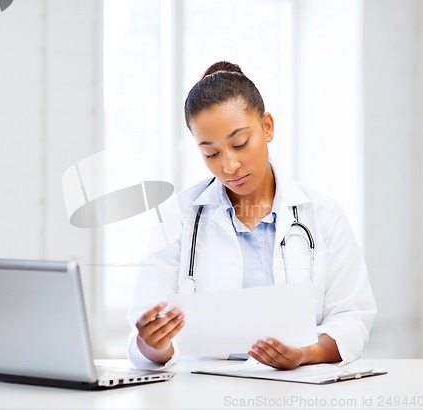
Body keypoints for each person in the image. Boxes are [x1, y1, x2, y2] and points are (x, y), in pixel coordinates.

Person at [127, 61, 376, 370]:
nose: (229, 166)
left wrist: (305, 353)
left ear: (267, 127)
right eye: (211, 153)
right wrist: (153, 341)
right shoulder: (177, 218)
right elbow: (147, 334)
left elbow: (352, 317)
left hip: (300, 391)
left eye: (240, 143)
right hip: (204, 391)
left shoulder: (323, 214)